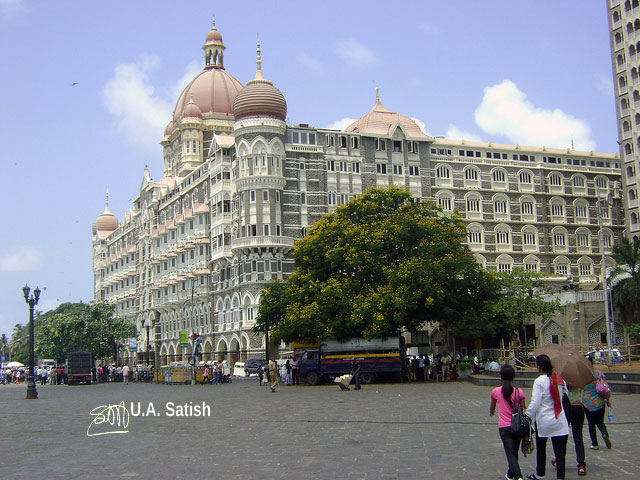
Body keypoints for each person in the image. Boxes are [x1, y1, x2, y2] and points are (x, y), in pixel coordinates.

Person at [525, 354, 569, 480]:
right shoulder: (560, 379)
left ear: (539, 367)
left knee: (541, 448)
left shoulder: (539, 381)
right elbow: (565, 396)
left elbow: (535, 402)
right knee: (560, 452)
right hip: (559, 418)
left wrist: (527, 415)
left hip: (544, 420)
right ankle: (560, 477)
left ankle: (540, 474)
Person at [490, 364, 526, 480]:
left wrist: (492, 412)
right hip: (517, 426)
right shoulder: (518, 392)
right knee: (514, 452)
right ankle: (511, 474)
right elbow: (524, 409)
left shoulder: (495, 392)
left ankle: (517, 476)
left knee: (511, 453)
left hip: (504, 427)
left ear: (501, 377)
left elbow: (492, 408)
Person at [582, 358, 612, 451]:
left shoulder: (583, 375)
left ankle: (595, 444)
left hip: (587, 403)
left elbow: (580, 388)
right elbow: (604, 387)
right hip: (599, 401)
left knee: (591, 424)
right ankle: (604, 434)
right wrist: (608, 400)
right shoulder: (599, 373)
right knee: (600, 422)